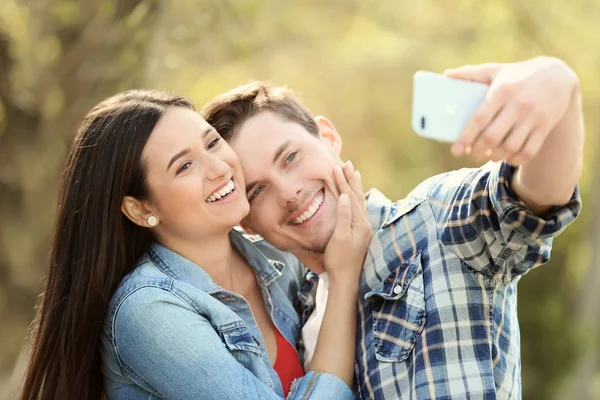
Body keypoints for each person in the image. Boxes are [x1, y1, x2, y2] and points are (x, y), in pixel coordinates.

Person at [201, 56, 584, 399]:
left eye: (291, 157)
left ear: (329, 138)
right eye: (259, 190)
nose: (289, 192)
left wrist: (557, 84)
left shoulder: (437, 219)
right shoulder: (295, 314)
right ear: (246, 221)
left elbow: (536, 198)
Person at [20, 90, 373, 400]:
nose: (219, 168)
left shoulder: (274, 258)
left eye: (212, 143)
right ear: (141, 209)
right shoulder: (148, 311)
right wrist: (342, 280)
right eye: (185, 166)